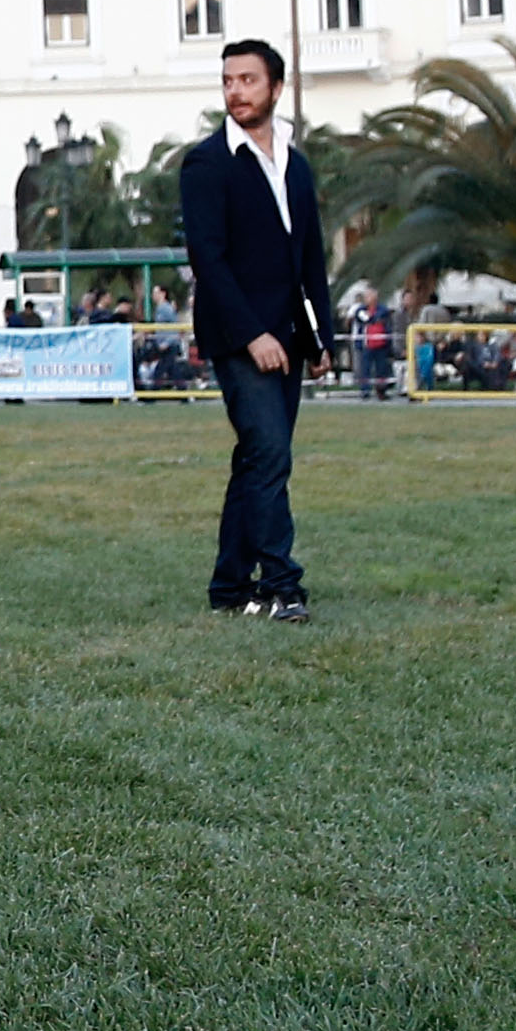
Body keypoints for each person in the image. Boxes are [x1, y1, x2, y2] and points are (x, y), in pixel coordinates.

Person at [174, 40, 331, 620]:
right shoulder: (206, 163)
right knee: (269, 454)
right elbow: (207, 260)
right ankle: (283, 584)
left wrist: (319, 341)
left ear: (275, 88)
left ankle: (229, 587)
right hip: (240, 337)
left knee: (257, 459)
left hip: (289, 337)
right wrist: (253, 336)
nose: (235, 90)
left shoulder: (295, 162)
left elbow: (309, 259)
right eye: (227, 81)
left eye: (247, 80)